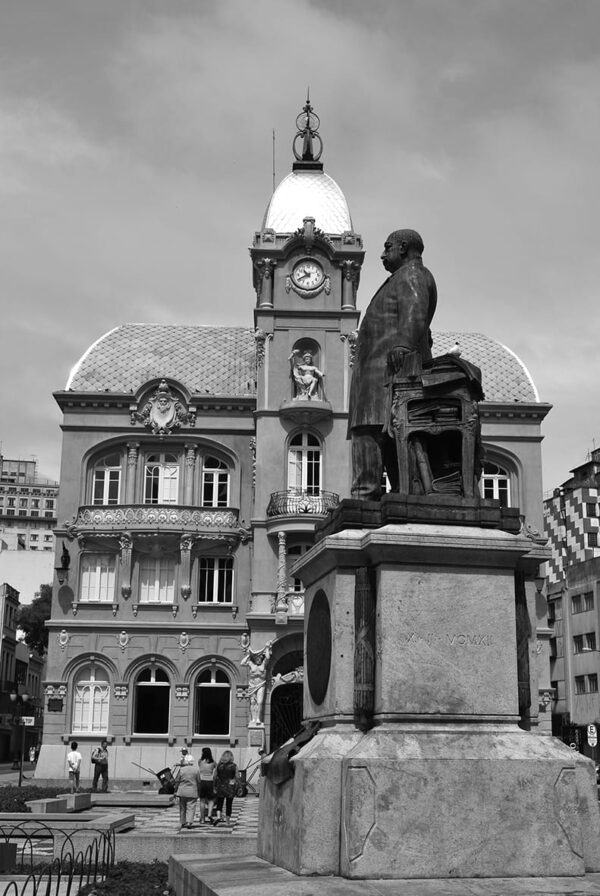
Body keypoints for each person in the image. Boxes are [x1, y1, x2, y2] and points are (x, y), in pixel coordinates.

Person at [347, 229, 437, 501]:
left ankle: (366, 496)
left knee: (371, 431)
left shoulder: (412, 275)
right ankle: (385, 494)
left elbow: (415, 312)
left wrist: (402, 346)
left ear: (404, 247)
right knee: (380, 434)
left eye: (388, 247)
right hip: (379, 375)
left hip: (386, 375)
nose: (383, 254)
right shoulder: (400, 278)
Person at [241, 640, 273, 725]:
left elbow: (268, 657)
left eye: (260, 658)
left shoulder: (263, 665)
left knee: (259, 702)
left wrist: (266, 647)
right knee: (252, 702)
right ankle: (253, 719)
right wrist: (248, 655)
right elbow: (242, 663)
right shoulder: (251, 664)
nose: (259, 659)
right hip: (252, 685)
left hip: (261, 684)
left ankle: (258, 718)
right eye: (257, 658)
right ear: (255, 659)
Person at [174, 753, 201, 830]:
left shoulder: (182, 770)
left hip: (182, 791)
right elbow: (199, 781)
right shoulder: (196, 770)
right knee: (191, 807)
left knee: (182, 808)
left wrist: (175, 791)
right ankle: (189, 822)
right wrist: (199, 791)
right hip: (192, 791)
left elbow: (177, 781)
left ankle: (182, 822)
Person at [212, 749, 239, 827]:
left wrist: (214, 786)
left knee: (219, 802)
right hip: (230, 787)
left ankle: (218, 816)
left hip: (220, 786)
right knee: (229, 804)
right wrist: (239, 786)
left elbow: (214, 776)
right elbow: (237, 777)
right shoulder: (234, 766)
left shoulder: (219, 766)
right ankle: (227, 821)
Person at [198, 747, 216, 823]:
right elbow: (215, 768)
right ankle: (209, 814)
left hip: (201, 781)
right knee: (211, 800)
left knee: (202, 800)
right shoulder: (213, 762)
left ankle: (202, 818)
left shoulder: (200, 761)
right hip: (210, 781)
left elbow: (200, 767)